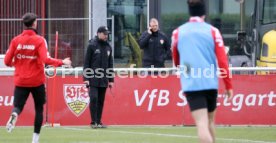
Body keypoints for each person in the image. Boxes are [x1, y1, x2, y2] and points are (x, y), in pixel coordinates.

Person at [171, 0, 233, 143]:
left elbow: (176, 59)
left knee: (202, 124)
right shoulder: (213, 31)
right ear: (204, 13)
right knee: (210, 122)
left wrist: (183, 71)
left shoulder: (178, 32)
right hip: (210, 83)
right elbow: (223, 61)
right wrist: (229, 85)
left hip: (192, 84)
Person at [4, 12, 72, 143]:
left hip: (21, 81)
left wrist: (17, 64)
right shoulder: (40, 40)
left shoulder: (16, 40)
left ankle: (15, 115)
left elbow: (7, 61)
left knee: (18, 106)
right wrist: (62, 62)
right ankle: (35, 139)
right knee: (39, 109)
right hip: (37, 81)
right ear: (34, 23)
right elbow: (45, 59)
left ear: (24, 24)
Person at [83, 26, 114, 129]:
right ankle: (93, 122)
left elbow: (110, 65)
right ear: (98, 33)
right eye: (104, 34)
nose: (106, 36)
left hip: (104, 79)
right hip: (93, 79)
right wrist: (86, 79)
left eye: (107, 34)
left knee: (101, 101)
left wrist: (111, 80)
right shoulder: (92, 45)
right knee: (94, 98)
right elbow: (86, 63)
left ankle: (99, 121)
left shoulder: (108, 47)